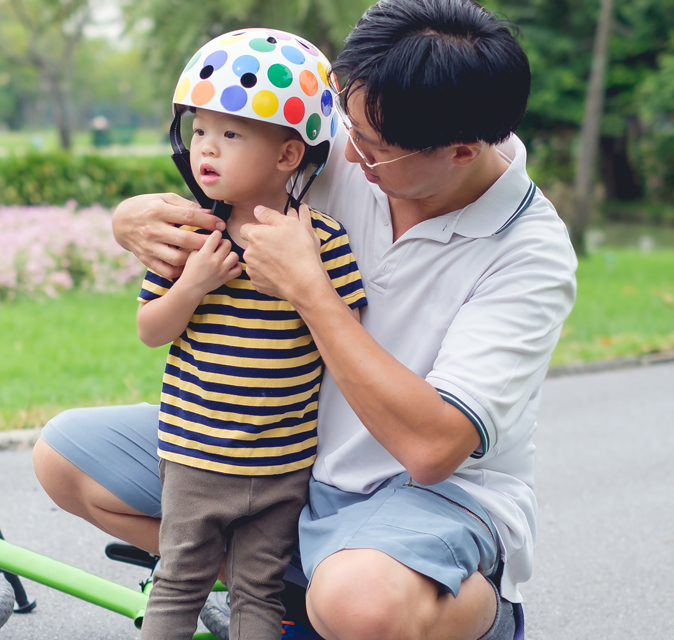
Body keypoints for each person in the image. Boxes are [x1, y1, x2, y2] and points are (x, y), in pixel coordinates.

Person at [33, 0, 578, 638]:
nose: (348, 155)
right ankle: (276, 590)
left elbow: (434, 448)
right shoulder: (349, 141)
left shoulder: (529, 254)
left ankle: (463, 614)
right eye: (348, 127)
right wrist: (128, 218)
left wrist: (310, 291)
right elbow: (223, 170)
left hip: (424, 494)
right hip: (279, 442)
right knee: (63, 459)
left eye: (373, 149)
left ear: (461, 151)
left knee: (362, 604)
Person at [129, 29, 365, 640]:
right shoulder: (190, 236)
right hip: (194, 457)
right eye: (201, 131)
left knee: (258, 592)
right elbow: (151, 330)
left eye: (231, 135)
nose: (207, 148)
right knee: (179, 580)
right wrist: (191, 286)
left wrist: (304, 282)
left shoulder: (322, 240)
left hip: (282, 464)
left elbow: (347, 339)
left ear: (289, 156)